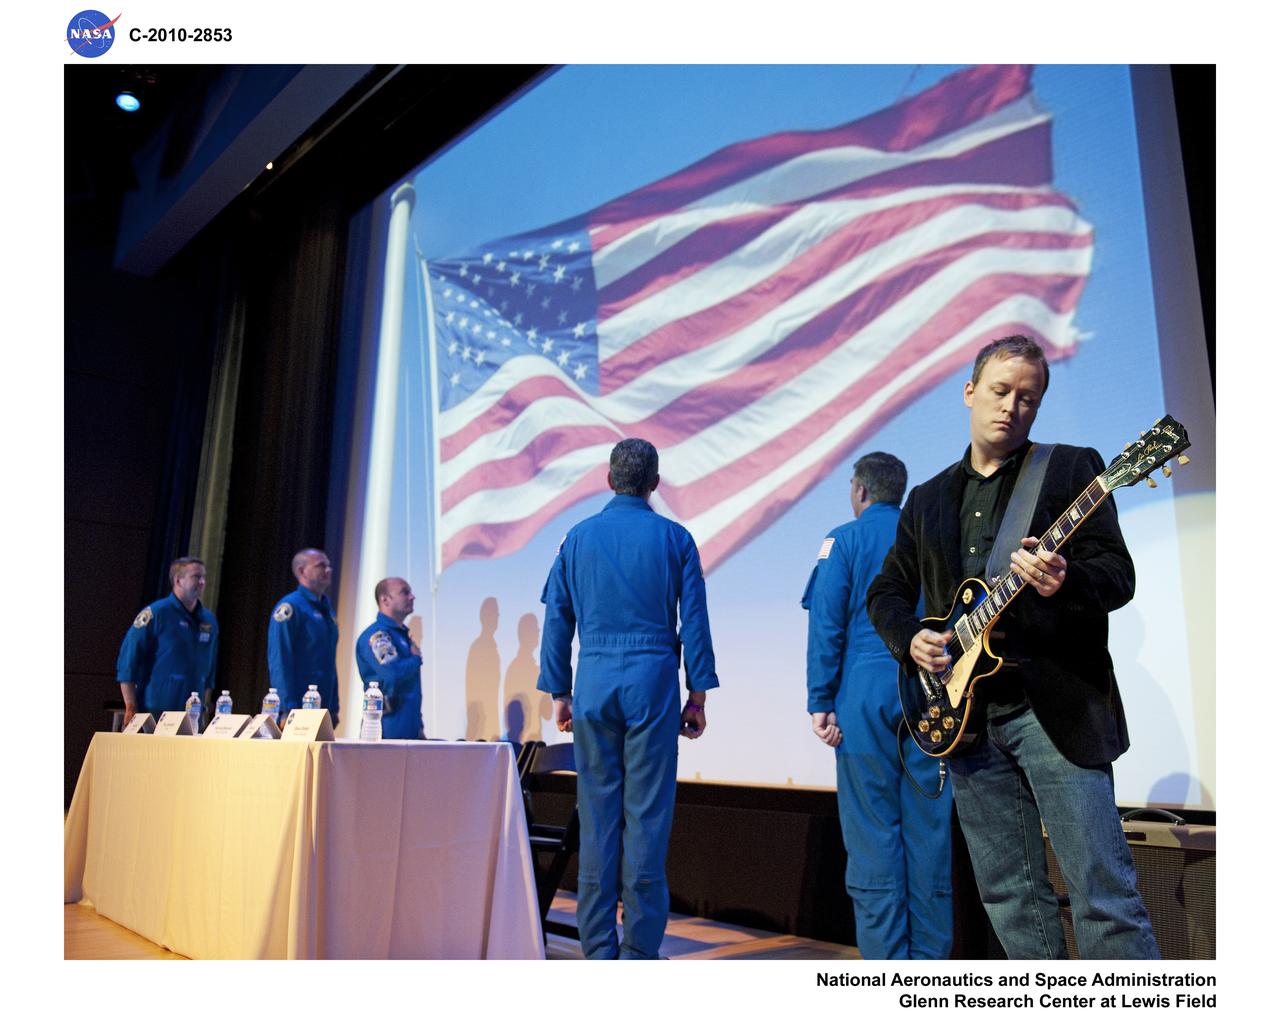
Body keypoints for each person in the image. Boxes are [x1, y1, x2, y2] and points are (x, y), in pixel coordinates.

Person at [866, 334, 1158, 959]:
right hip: (967, 726)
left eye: (1028, 398)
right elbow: (887, 591)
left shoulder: (1073, 469)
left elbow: (1117, 576)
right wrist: (910, 637)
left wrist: (1066, 580)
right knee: (1010, 900)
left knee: (1102, 895)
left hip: (1054, 709)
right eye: (1000, 392)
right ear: (969, 393)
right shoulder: (927, 498)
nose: (1012, 407)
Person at [537, 438, 718, 960]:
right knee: (647, 818)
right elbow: (696, 623)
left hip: (594, 679)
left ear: (609, 478)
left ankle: (598, 953)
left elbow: (557, 621)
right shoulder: (675, 537)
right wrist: (698, 694)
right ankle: (639, 954)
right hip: (653, 681)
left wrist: (561, 691)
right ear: (655, 483)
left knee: (596, 819)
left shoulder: (576, 537)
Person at [802, 452, 952, 959]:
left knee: (873, 836)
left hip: (863, 692)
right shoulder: (928, 535)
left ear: (861, 491)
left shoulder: (841, 540)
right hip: (932, 690)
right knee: (929, 835)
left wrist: (820, 699)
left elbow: (826, 625)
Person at [117, 556, 218, 725]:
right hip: (155, 710)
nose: (202, 582)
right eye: (196, 577)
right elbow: (128, 660)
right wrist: (130, 705)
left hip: (192, 714)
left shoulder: (208, 620)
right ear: (178, 580)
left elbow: (209, 671)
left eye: (203, 577)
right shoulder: (157, 613)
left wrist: (205, 705)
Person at [267, 548, 340, 725]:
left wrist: (333, 706)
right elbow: (280, 659)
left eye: (329, 566)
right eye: (321, 566)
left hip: (321, 705)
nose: (328, 570)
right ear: (301, 571)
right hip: (297, 705)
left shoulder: (326, 608)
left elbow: (329, 660)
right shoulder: (290, 607)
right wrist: (286, 708)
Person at [354, 577, 424, 739]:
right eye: (404, 593)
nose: (412, 597)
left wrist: (418, 725)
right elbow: (393, 673)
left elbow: (409, 686)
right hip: (386, 728)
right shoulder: (377, 636)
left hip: (408, 726)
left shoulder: (400, 635)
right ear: (385, 600)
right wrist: (415, 659)